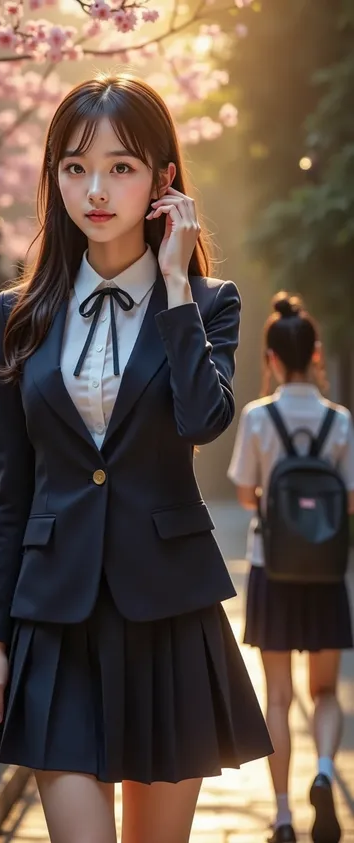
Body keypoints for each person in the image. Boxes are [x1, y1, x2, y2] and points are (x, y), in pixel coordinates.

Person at [0, 73, 273, 843]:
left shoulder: (209, 302)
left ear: (163, 179)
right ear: (55, 179)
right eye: (74, 168)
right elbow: (14, 490)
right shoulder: (20, 314)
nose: (95, 189)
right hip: (54, 619)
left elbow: (202, 420)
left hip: (166, 612)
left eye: (121, 167)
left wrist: (173, 285)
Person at [228, 292, 354, 843]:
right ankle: (325, 772)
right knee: (325, 693)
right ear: (317, 355)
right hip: (325, 575)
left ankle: (281, 815)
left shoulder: (259, 418)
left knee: (278, 696)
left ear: (272, 358)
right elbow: (349, 500)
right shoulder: (340, 422)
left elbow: (245, 495)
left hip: (270, 569)